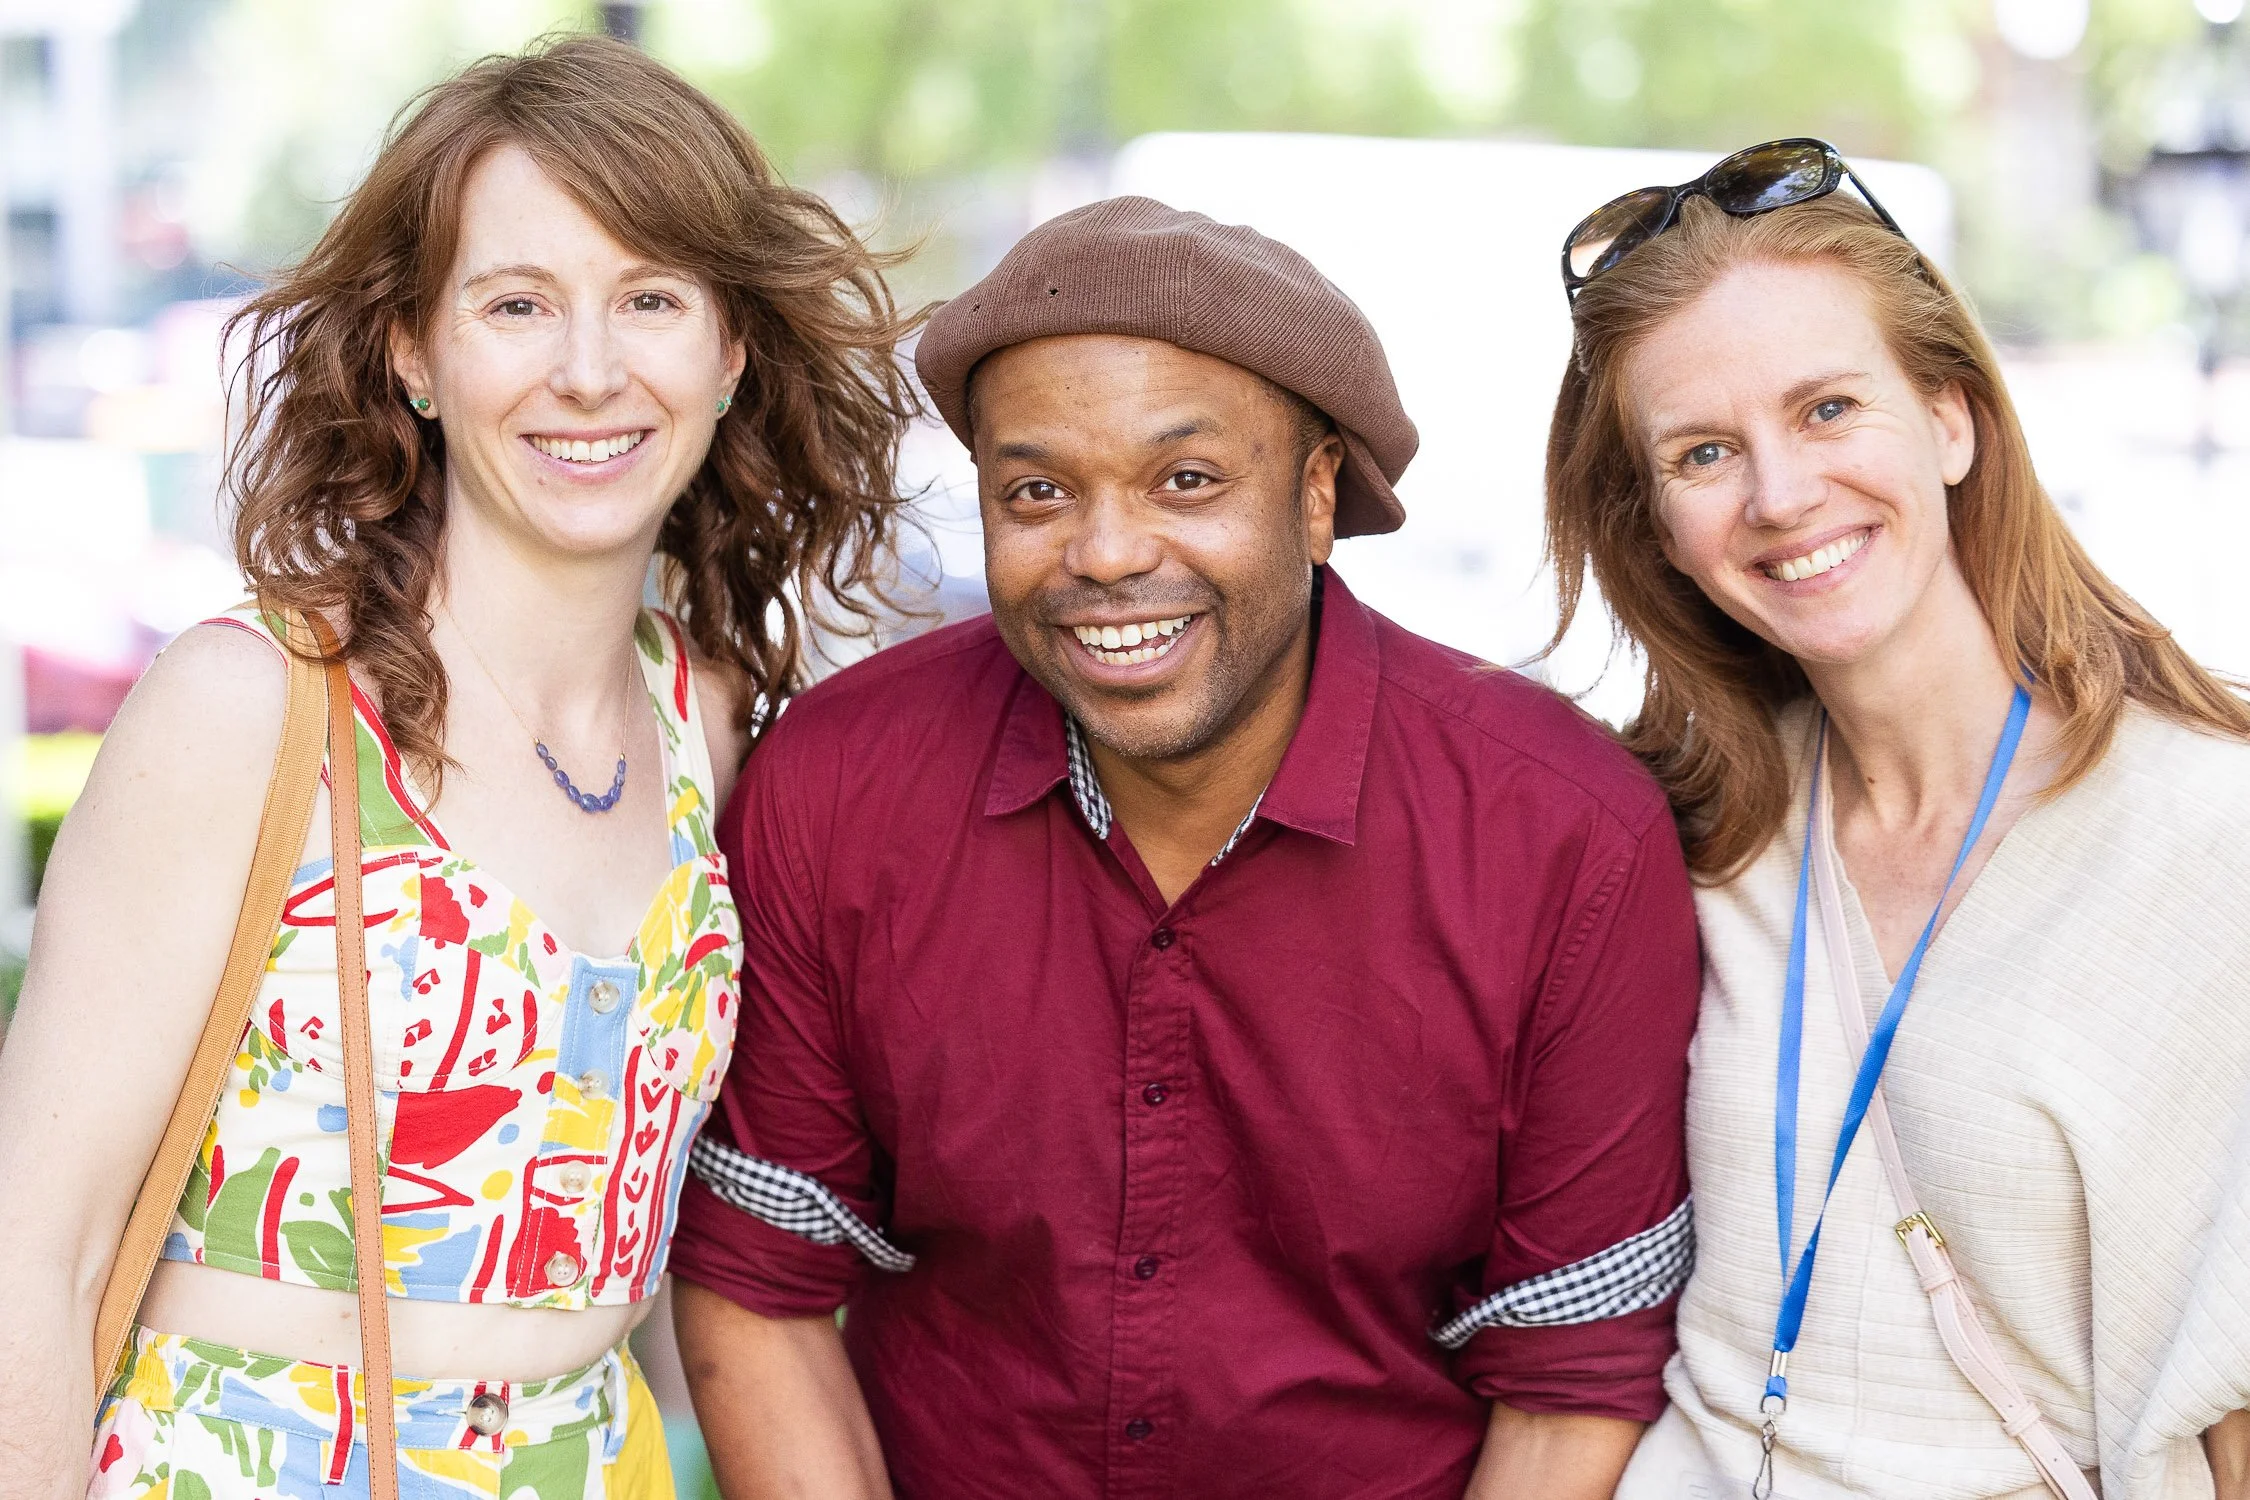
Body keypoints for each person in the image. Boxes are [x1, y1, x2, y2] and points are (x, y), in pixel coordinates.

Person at [664, 196, 1703, 1500]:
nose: (1104, 554)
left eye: (1186, 481)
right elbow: (757, 1283)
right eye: (1034, 491)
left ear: (1319, 495)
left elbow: (1573, 1372)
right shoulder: (838, 785)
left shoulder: (1564, 838)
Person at [0, 35, 919, 1500]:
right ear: (414, 352)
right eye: (516, 305)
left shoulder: (712, 718)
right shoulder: (252, 708)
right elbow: (26, 1263)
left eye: (652, 299)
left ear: (731, 346)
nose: (590, 370)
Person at [1539, 139, 2250, 1499]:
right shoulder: (1686, 840)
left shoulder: (2199, 833)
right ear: (1656, 528)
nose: (1779, 495)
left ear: (1949, 419)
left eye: (1824, 410)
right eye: (1701, 452)